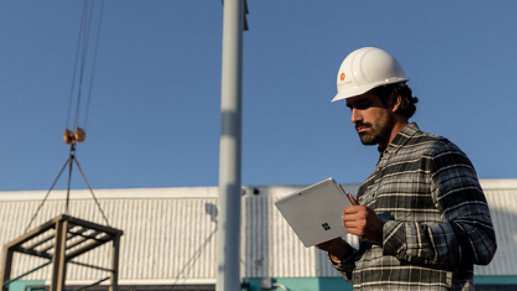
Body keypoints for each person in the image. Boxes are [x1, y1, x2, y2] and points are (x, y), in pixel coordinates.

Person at [317, 47, 497, 290]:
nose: (354, 117)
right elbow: (378, 272)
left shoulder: (437, 153)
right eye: (350, 107)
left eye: (362, 104)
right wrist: (337, 249)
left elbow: (480, 240)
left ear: (394, 100)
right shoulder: (370, 184)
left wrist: (384, 232)